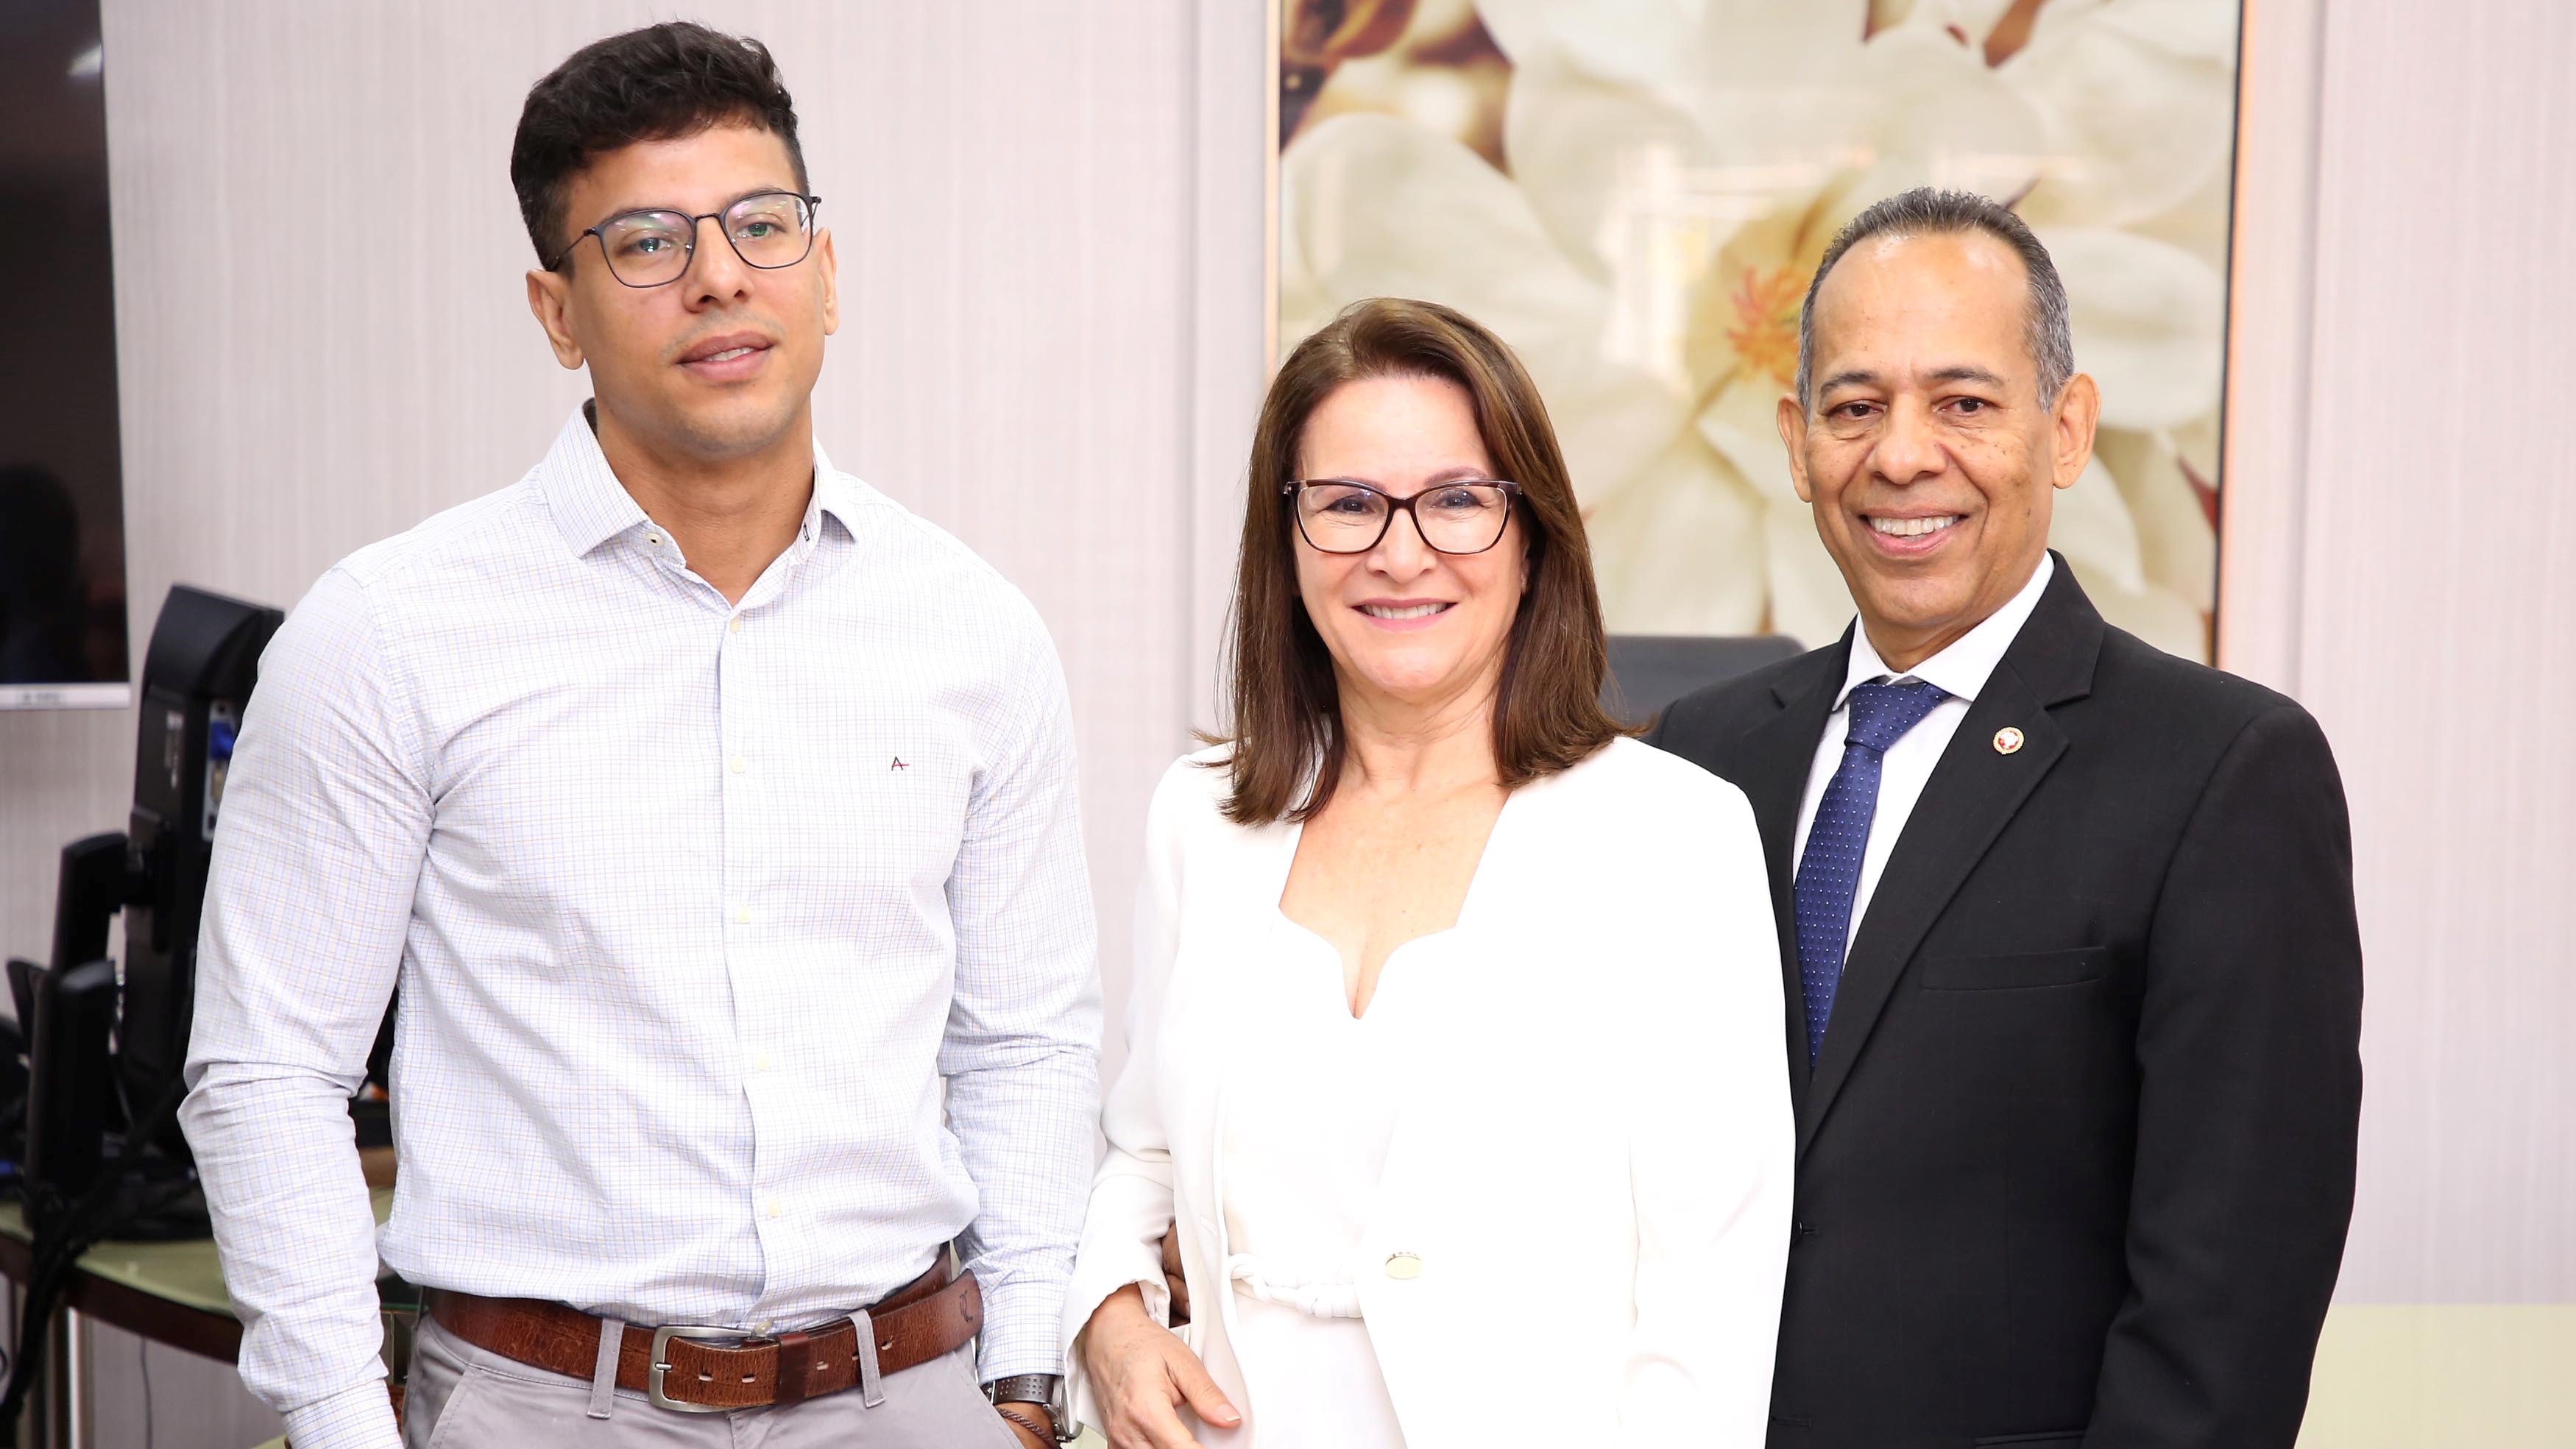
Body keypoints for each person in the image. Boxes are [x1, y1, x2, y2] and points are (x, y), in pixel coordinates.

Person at [181, 24, 1097, 1449]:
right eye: (648, 243)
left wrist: (1024, 1385)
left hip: (911, 1395)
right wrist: (345, 1424)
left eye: (760, 224)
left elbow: (1026, 1040)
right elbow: (268, 1072)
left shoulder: (972, 630)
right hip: (547, 1406)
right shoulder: (388, 634)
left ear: (827, 271)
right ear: (557, 312)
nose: (719, 275)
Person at [1649, 188, 2365, 1448]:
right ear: (1797, 442)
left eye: (1964, 403)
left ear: (2067, 427)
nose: (1902, 456)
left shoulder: (2225, 772)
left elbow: (2225, 1319)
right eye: (1854, 407)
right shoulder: (1703, 758)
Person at [1062, 297, 1792, 1449]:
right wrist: (1109, 1316)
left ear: (1532, 536)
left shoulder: (1675, 838)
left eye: (1457, 500)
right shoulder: (1201, 816)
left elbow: (1707, 1313)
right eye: (1348, 503)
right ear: (1286, 541)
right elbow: (1142, 1149)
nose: (1400, 553)